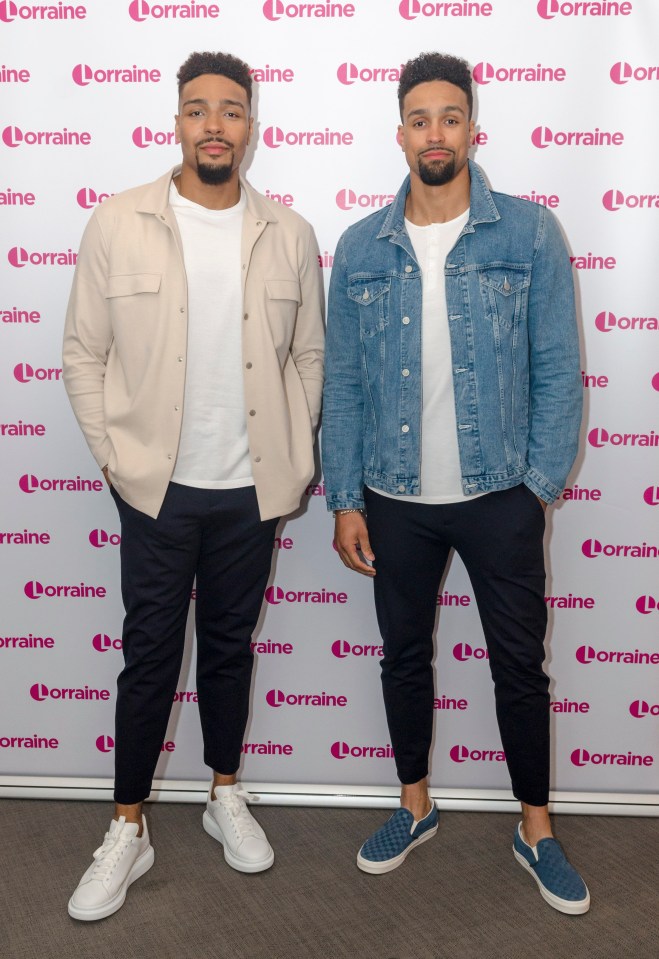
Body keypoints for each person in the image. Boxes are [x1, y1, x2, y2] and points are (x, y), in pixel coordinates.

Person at [321, 52, 588, 915]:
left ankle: (535, 828)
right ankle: (414, 803)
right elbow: (346, 387)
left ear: (473, 127)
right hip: (394, 499)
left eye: (450, 117)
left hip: (498, 495)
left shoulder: (528, 231)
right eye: (419, 118)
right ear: (398, 131)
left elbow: (557, 369)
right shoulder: (362, 246)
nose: (434, 133)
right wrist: (346, 497)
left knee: (519, 666)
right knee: (402, 657)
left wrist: (536, 488)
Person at [63, 50, 324, 921]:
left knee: (228, 648)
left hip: (252, 491)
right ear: (175, 120)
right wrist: (115, 456)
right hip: (154, 489)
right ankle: (128, 827)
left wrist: (289, 447)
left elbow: (310, 357)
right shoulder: (119, 222)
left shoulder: (286, 232)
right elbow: (83, 353)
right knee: (148, 658)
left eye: (232, 110)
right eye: (198, 109)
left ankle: (223, 793)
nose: (215, 124)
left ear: (252, 125)